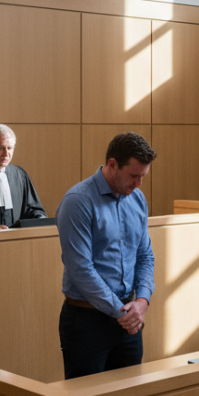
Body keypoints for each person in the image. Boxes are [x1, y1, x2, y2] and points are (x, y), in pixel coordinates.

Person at [56, 131, 157, 379]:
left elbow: (145, 256)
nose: (139, 185)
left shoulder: (137, 199)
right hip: (87, 321)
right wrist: (123, 312)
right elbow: (81, 269)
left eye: (143, 177)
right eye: (134, 176)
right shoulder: (78, 201)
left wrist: (142, 301)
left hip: (129, 318)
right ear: (112, 165)